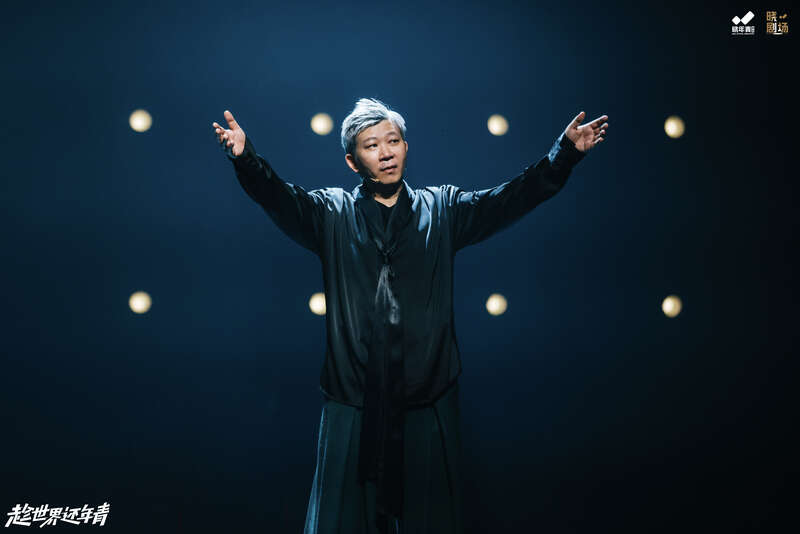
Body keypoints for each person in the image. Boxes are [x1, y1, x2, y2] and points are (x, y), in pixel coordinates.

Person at [212, 98, 608, 534]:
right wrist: (246, 160)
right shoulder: (331, 213)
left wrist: (562, 155)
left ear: (405, 146)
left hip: (427, 404)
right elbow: (279, 198)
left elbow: (507, 200)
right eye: (371, 146)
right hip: (353, 404)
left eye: (393, 141)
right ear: (352, 161)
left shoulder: (442, 209)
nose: (386, 153)